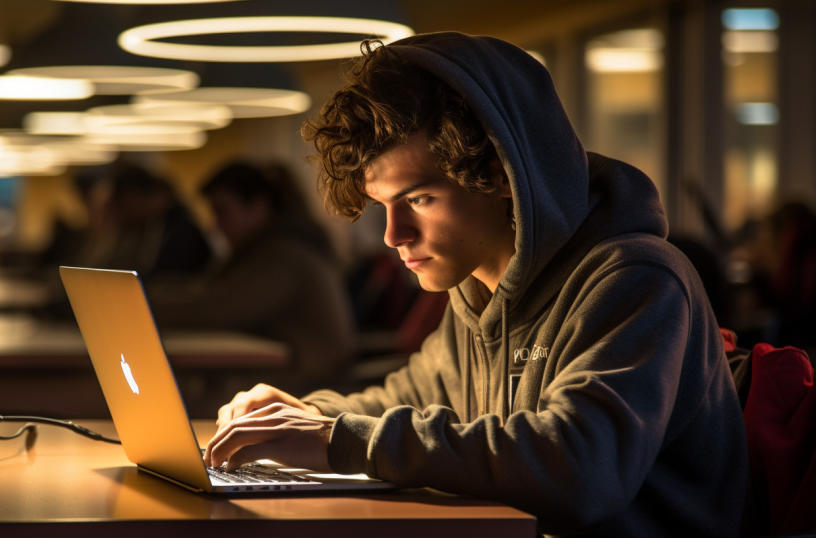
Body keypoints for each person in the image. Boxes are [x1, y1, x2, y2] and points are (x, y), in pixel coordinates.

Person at [202, 33, 748, 537]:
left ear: (501, 174)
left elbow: (582, 468)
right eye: (383, 207)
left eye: (418, 199)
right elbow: (403, 399)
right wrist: (297, 415)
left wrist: (335, 438)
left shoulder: (636, 279)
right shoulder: (477, 290)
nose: (394, 235)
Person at [149, 161, 356, 405]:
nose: (215, 224)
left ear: (258, 206)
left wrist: (139, 305)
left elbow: (216, 310)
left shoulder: (284, 256)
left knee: (177, 393)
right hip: (291, 369)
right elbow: (210, 297)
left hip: (311, 382)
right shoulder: (269, 248)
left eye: (222, 211)